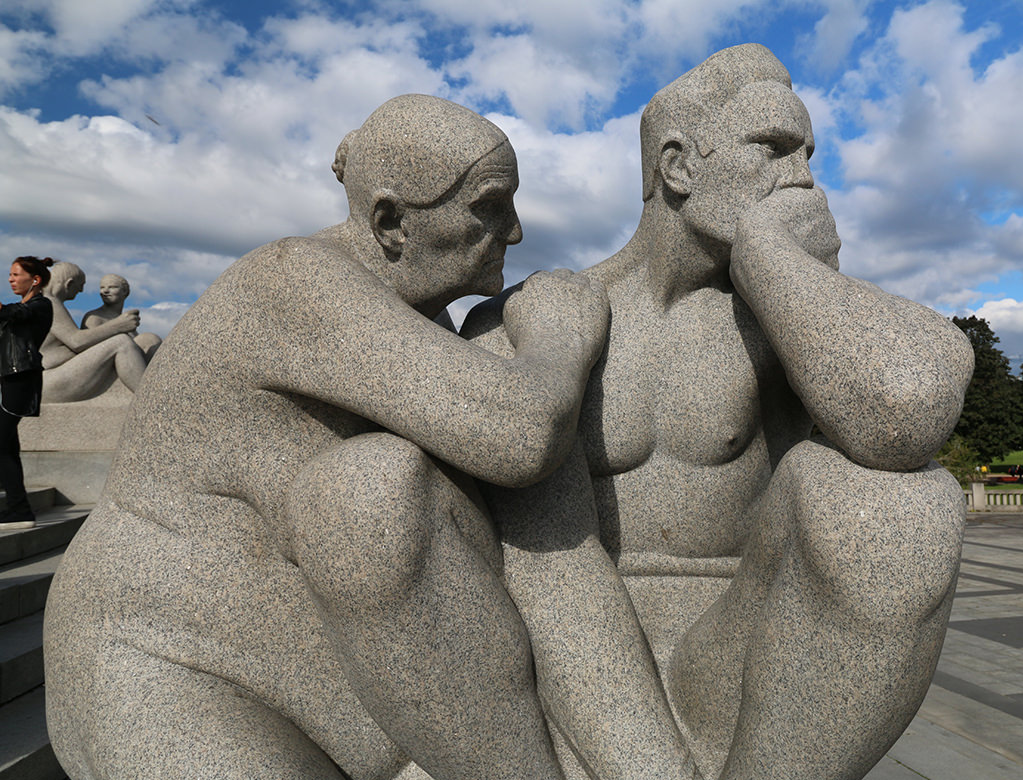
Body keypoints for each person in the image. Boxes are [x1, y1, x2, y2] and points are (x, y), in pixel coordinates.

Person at [44, 94, 609, 780]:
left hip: (316, 673)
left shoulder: (411, 322)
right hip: (174, 659)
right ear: (392, 221)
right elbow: (520, 434)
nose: (514, 232)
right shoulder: (293, 280)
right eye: (490, 206)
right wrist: (559, 334)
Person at [465, 44, 974, 780]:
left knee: (906, 510)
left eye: (810, 155)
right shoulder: (538, 317)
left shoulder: (787, 317)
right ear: (678, 167)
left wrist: (773, 257)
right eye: (772, 149)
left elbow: (907, 413)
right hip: (564, 658)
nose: (801, 180)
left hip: (733, 652)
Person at [40, 262, 149, 401]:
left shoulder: (50, 302)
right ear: (69, 283)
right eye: (80, 287)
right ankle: (150, 401)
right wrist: (118, 325)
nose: (81, 292)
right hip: (47, 382)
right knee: (121, 342)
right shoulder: (48, 303)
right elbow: (76, 341)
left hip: (53, 377)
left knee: (148, 339)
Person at [0, 256, 54, 529]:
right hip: (8, 380)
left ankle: (19, 509)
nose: (10, 279)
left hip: (21, 380)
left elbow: (18, 314)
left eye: (15, 274)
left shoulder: (40, 305)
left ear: (35, 280)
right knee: (7, 446)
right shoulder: (19, 309)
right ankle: (19, 510)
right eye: (9, 274)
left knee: (2, 443)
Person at [81, 273, 162, 362]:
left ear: (124, 291)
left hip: (129, 363)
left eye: (112, 287)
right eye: (102, 287)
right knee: (148, 338)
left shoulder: (126, 321)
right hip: (107, 365)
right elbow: (89, 353)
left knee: (150, 340)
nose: (105, 291)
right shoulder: (94, 317)